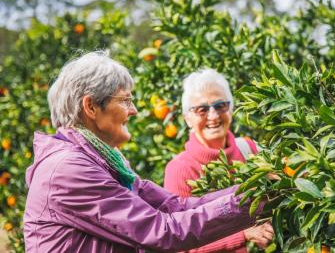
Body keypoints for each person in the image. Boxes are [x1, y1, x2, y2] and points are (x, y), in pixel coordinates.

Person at [23, 51, 273, 253]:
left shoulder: (106, 162)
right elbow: (162, 230)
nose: (133, 111)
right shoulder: (69, 170)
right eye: (124, 100)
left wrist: (259, 190)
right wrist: (254, 201)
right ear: (91, 107)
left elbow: (174, 206)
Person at [164, 69, 271, 253]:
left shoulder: (250, 149)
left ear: (230, 109)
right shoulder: (180, 170)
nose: (213, 116)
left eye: (220, 105)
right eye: (201, 109)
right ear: (188, 119)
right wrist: (242, 235)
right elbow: (180, 245)